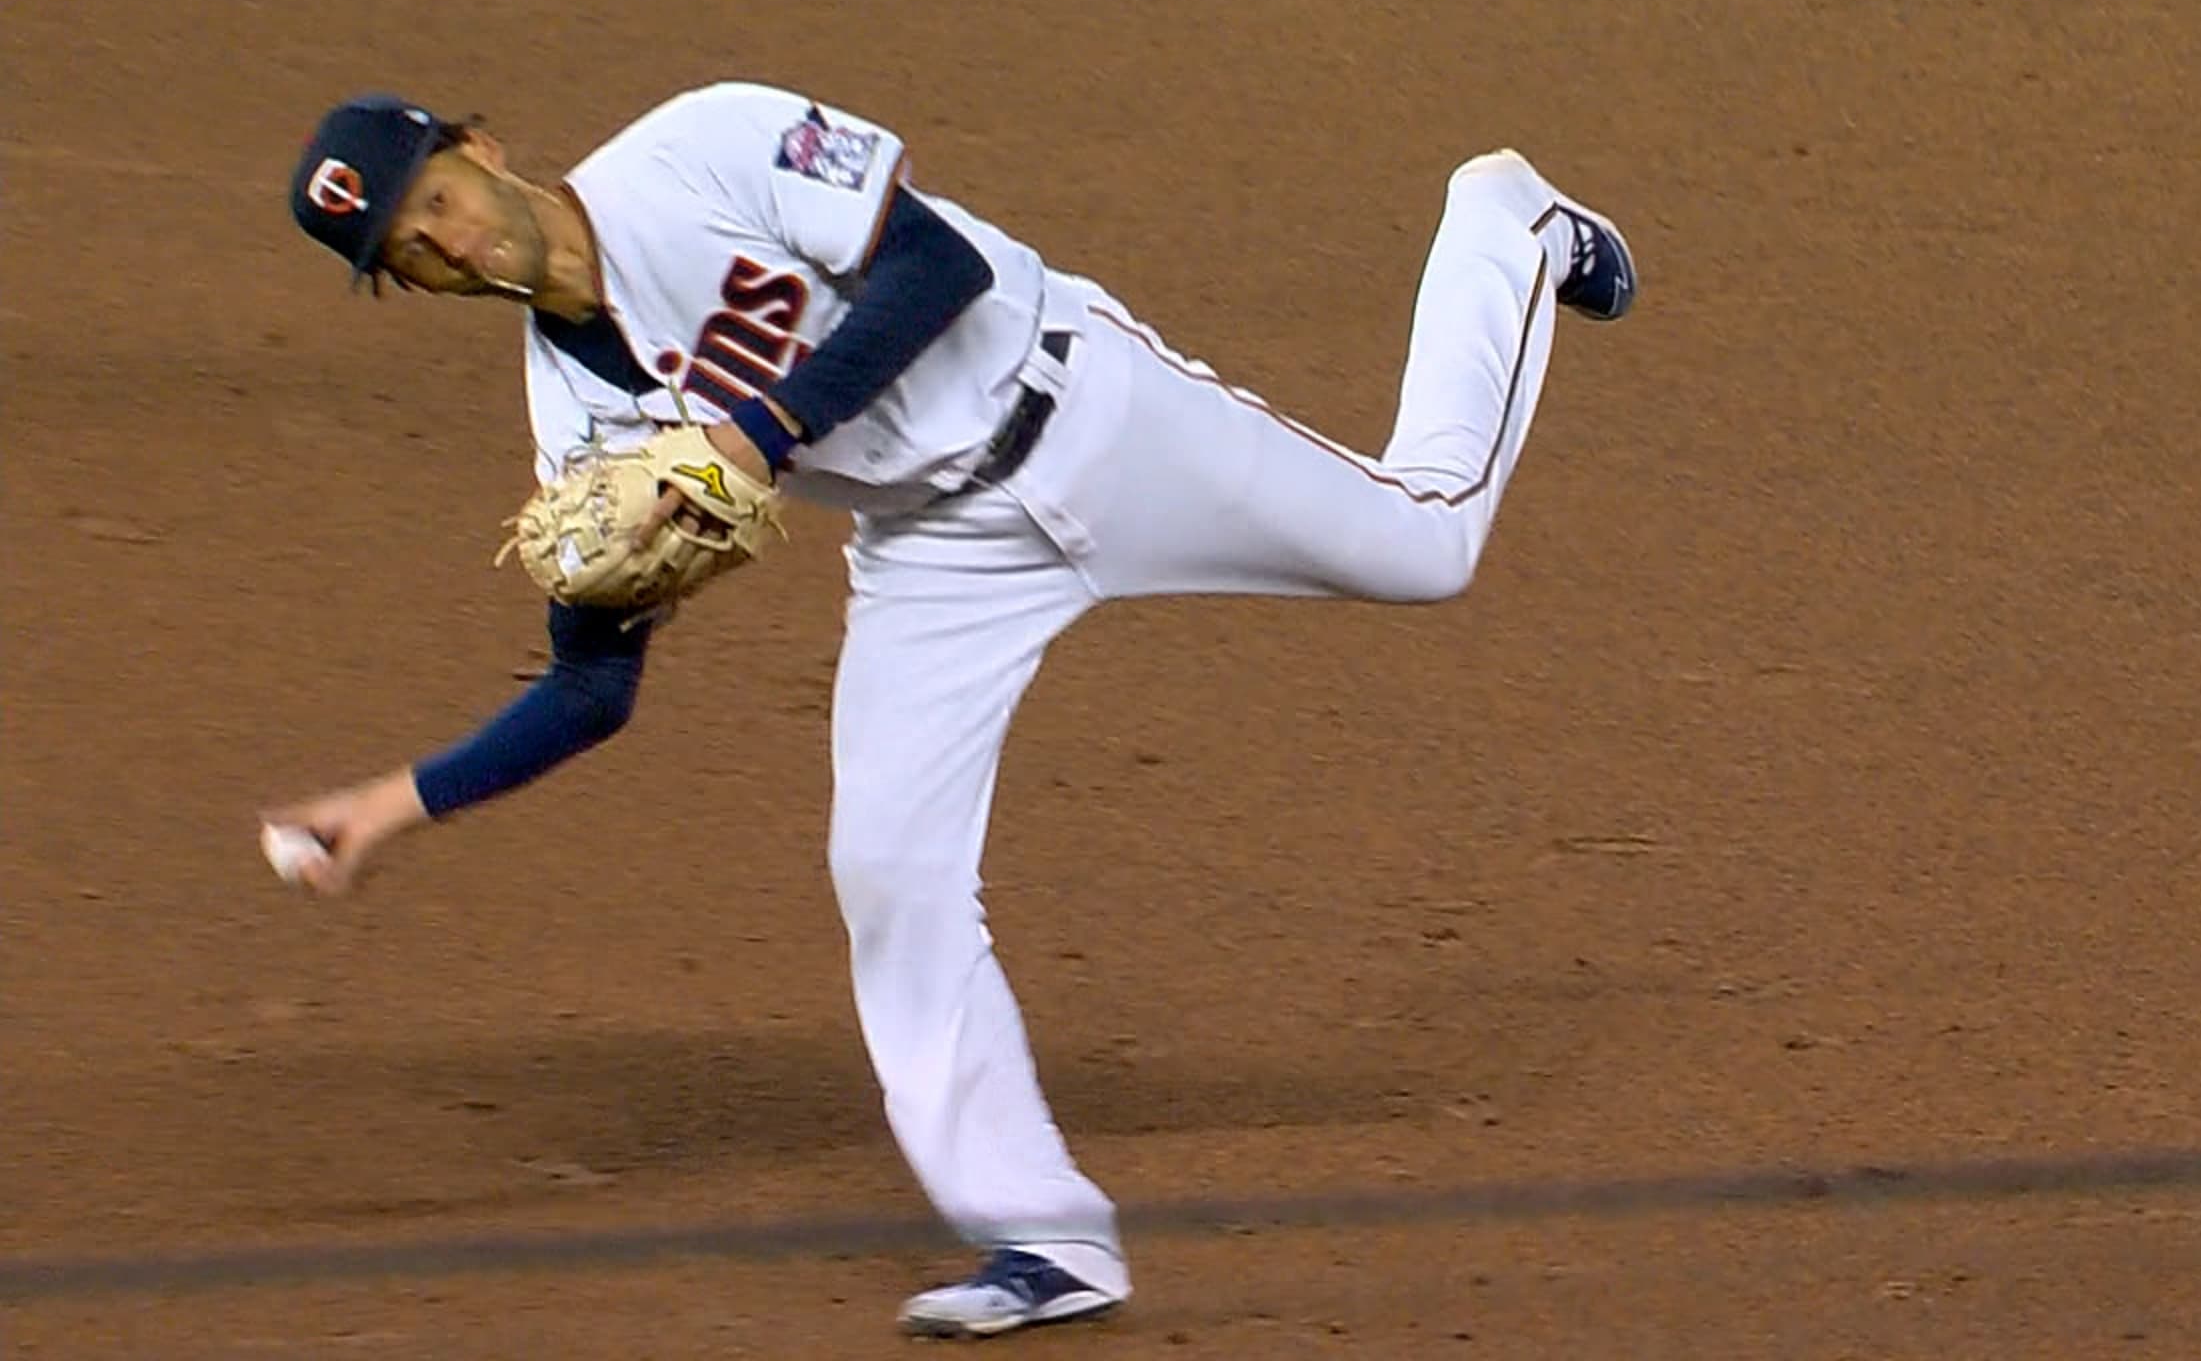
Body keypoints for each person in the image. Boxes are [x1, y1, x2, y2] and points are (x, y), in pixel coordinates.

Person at [266, 81, 1635, 1339]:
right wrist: (394, 804)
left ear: (480, 150)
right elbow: (592, 684)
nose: (444, 244)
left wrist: (758, 436)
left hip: (1087, 407)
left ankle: (1503, 224)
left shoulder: (698, 148)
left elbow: (935, 266)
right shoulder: (577, 426)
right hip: (937, 552)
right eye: (405, 253)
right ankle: (1042, 1239)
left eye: (435, 198)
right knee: (886, 867)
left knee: (1428, 545)